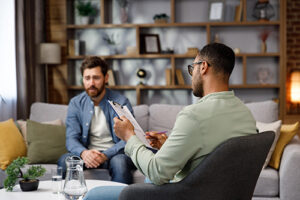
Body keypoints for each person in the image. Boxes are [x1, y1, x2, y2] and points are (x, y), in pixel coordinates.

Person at [83, 43, 257, 200]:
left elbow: (157, 172)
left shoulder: (193, 115)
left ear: (203, 67)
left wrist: (129, 136)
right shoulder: (245, 114)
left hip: (188, 195)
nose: (191, 75)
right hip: (219, 192)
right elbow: (209, 158)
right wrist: (166, 146)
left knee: (93, 195)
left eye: (192, 68)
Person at [58, 56, 135, 184]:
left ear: (106, 78)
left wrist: (105, 155)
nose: (91, 83)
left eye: (96, 78)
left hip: (114, 155)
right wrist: (84, 153)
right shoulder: (76, 103)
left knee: (120, 163)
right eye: (87, 78)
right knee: (65, 161)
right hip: (86, 154)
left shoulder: (121, 102)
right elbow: (71, 138)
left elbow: (129, 138)